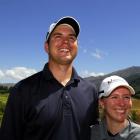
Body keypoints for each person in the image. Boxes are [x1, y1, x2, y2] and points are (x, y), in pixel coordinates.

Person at [0, 16, 99, 140]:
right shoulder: (22, 90)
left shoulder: (91, 91)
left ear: (77, 47)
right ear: (46, 46)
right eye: (58, 37)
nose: (65, 41)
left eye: (71, 38)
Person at [91, 75, 140, 140]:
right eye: (114, 97)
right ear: (102, 103)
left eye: (126, 97)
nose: (122, 103)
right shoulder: (89, 133)